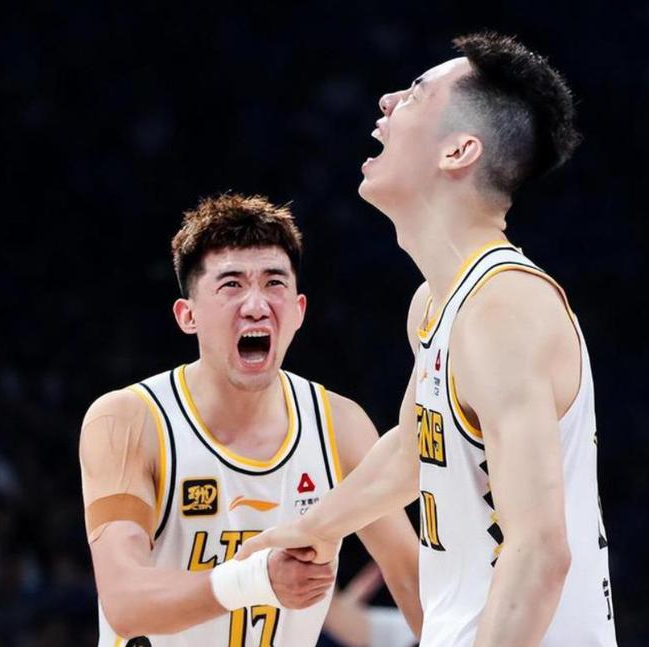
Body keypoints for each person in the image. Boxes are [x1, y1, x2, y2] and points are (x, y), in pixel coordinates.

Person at [236, 32, 618, 646]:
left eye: (415, 93)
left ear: (458, 151)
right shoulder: (438, 303)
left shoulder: (502, 308)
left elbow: (541, 551)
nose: (387, 101)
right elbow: (418, 446)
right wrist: (317, 527)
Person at [79, 193, 422, 646]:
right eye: (232, 285)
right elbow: (125, 602)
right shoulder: (128, 420)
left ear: (298, 311)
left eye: (274, 283)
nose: (256, 305)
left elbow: (413, 583)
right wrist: (257, 579)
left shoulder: (338, 425)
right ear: (188, 315)